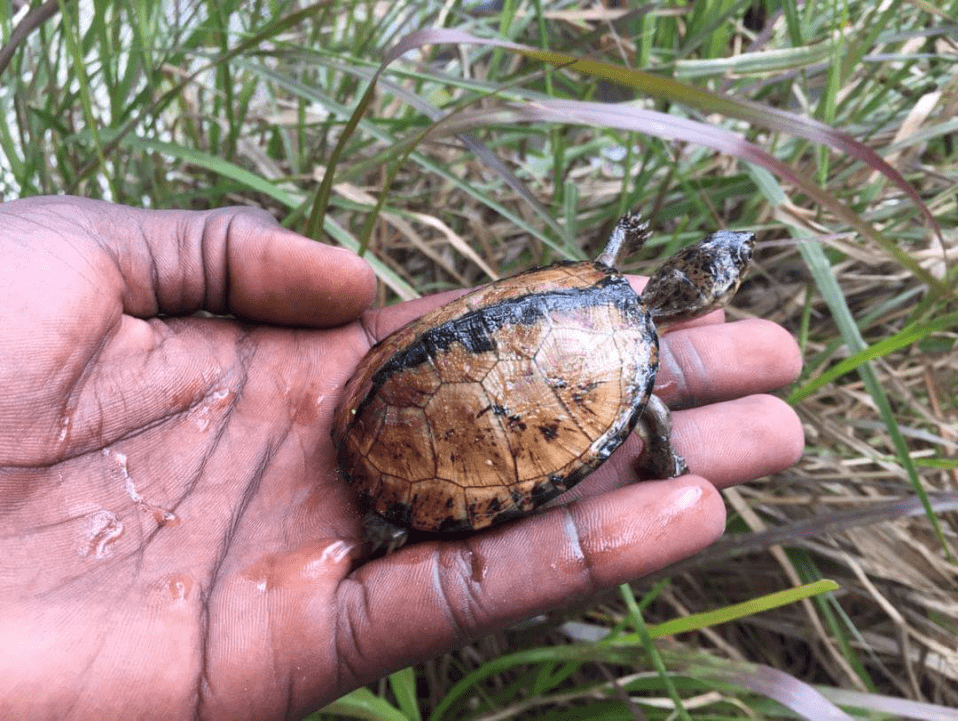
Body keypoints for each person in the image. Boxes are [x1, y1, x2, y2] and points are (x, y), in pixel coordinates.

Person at [0, 196, 804, 719]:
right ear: (693, 295)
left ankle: (393, 515)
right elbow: (652, 433)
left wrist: (624, 233)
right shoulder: (637, 379)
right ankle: (391, 519)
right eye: (719, 260)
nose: (716, 264)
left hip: (393, 391)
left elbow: (583, 266)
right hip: (466, 411)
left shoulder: (591, 281)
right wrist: (665, 462)